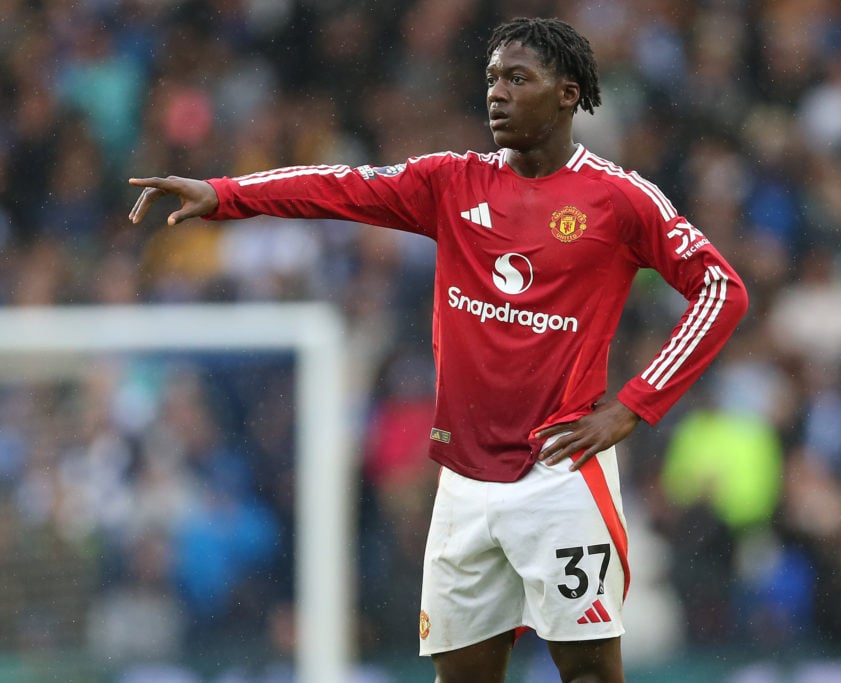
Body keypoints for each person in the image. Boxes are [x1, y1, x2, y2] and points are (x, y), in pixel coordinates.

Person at [128, 17, 748, 683]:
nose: (497, 94)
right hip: (463, 482)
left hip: (561, 475)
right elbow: (338, 186)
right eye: (490, 79)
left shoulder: (619, 198)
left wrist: (631, 406)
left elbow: (722, 288)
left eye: (518, 78)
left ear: (569, 94)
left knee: (590, 674)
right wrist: (224, 194)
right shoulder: (451, 183)